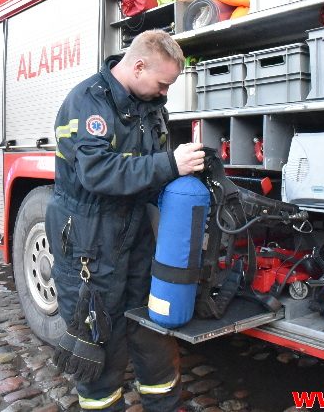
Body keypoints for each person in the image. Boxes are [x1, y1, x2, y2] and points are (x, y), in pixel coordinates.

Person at [45, 29, 205, 411]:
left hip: (133, 232)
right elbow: (98, 173)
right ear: (137, 66)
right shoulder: (87, 103)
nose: (165, 93)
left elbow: (148, 172)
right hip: (88, 238)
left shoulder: (149, 106)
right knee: (98, 337)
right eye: (163, 83)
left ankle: (163, 403)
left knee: (151, 328)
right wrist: (170, 164)